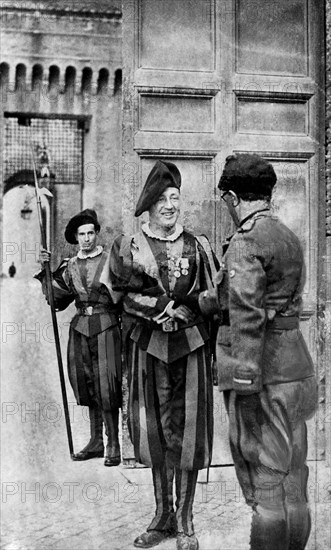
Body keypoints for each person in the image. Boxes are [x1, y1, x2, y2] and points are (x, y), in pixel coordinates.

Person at [199, 153, 317, 550]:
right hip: (295, 367)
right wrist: (208, 299)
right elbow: (267, 298)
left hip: (261, 373)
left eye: (225, 201)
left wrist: (244, 379)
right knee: (292, 477)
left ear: (232, 198)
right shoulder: (286, 234)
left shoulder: (246, 241)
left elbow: (248, 315)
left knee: (265, 481)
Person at [110, 160, 218, 550]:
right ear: (149, 205)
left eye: (175, 198)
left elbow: (214, 293)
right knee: (155, 432)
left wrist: (190, 308)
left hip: (190, 349)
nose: (170, 206)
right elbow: (121, 293)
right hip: (149, 349)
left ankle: (186, 521)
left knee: (188, 433)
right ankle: (162, 516)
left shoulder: (198, 245)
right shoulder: (128, 245)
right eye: (162, 199)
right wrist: (161, 309)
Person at [37, 209, 122, 467]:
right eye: (81, 234)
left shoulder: (110, 261)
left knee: (107, 384)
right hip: (80, 329)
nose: (86, 238)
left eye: (90, 233)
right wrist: (46, 270)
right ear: (76, 237)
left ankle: (113, 443)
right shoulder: (69, 265)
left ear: (97, 234)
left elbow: (124, 294)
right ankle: (96, 442)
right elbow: (57, 299)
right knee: (85, 382)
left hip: (106, 326)